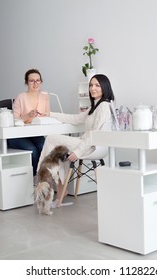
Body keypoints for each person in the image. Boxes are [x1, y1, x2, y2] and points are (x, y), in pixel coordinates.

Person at [37, 74, 115, 207]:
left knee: (51, 138)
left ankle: (44, 177)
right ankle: (58, 187)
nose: (92, 88)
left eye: (97, 85)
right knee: (60, 151)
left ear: (105, 87)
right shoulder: (96, 106)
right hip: (85, 142)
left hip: (90, 146)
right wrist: (50, 114)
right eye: (91, 85)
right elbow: (74, 118)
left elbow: (93, 134)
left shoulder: (103, 106)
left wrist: (78, 152)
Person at [9, 69, 50, 181]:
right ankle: (33, 180)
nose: (35, 83)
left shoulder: (44, 97)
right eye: (31, 81)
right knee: (32, 150)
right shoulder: (20, 97)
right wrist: (27, 115)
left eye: (38, 80)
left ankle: (43, 180)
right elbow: (14, 120)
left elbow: (47, 115)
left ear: (41, 82)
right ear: (26, 82)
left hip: (35, 133)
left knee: (43, 147)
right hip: (17, 136)